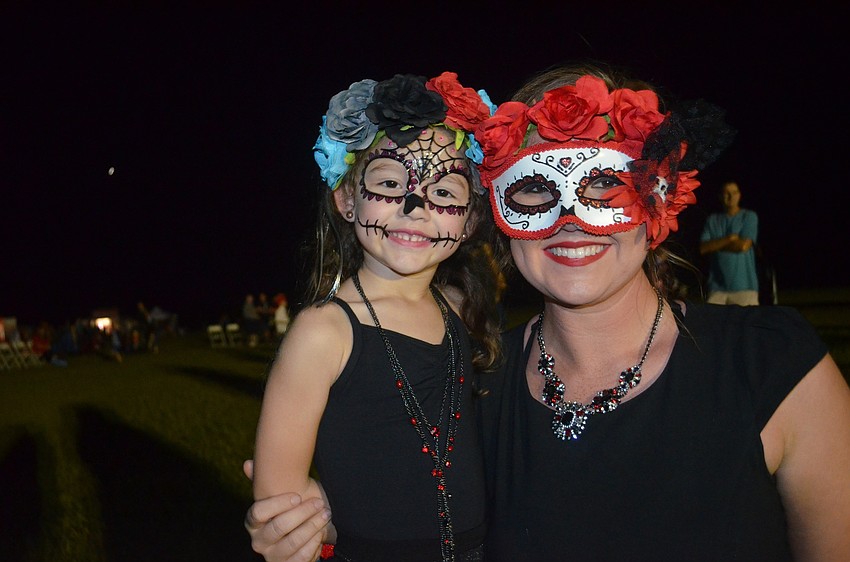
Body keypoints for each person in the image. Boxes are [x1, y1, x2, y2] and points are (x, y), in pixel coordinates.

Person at [244, 63, 850, 561]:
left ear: (658, 201)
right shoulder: (477, 378)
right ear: (497, 218)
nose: (569, 220)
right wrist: (324, 511)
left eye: (602, 185)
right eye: (533, 189)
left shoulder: (774, 367)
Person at [250, 71, 502, 562]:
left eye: (445, 193)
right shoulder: (324, 332)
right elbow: (279, 506)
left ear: (470, 220)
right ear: (347, 199)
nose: (416, 206)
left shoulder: (457, 309)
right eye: (389, 183)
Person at [699, 180, 760, 305]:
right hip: (716, 288)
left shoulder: (749, 217)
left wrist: (715, 245)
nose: (731, 196)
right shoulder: (712, 220)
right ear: (720, 196)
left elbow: (743, 246)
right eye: (726, 193)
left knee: (747, 324)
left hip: (745, 288)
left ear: (739, 195)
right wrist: (729, 239)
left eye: (734, 192)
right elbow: (703, 248)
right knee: (712, 323)